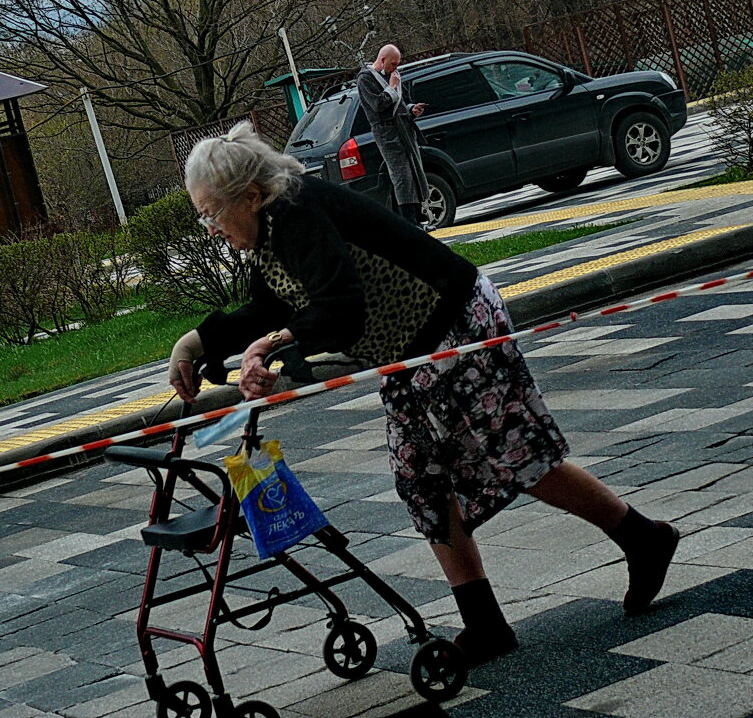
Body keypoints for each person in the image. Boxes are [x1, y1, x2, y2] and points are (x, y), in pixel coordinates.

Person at [167, 122, 680, 666]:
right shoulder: (273, 228)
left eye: (212, 213)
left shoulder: (297, 214)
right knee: (423, 479)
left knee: (511, 456)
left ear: (249, 196)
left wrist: (269, 346)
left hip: (452, 323)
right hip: (411, 346)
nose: (211, 228)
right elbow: (272, 303)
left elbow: (339, 309)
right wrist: (194, 344)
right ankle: (485, 622)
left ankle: (642, 538)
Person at [356, 44, 429, 227]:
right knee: (401, 175)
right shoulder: (365, 79)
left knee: (413, 171)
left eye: (397, 64)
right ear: (382, 60)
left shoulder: (392, 76)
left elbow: (401, 103)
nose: (395, 68)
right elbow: (377, 105)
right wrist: (391, 88)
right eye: (393, 64)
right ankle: (409, 220)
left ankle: (418, 214)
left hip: (404, 128)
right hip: (387, 132)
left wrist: (412, 109)